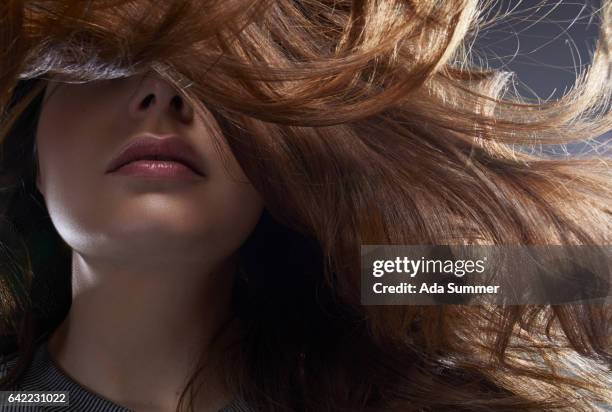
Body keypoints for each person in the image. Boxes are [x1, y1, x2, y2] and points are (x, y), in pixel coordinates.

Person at [0, 1, 610, 411]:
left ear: (283, 154)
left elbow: (581, 276)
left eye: (219, 75)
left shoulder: (369, 286)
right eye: (103, 66)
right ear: (30, 157)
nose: (163, 94)